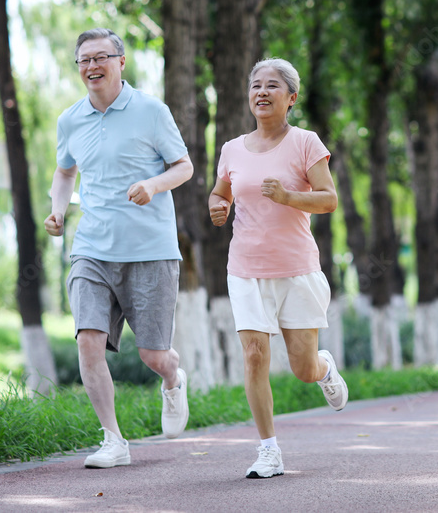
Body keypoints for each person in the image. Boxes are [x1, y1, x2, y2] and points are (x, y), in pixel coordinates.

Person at [44, 28, 193, 469]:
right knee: (88, 342)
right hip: (92, 248)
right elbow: (64, 172)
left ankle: (172, 376)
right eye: (84, 60)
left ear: (120, 61)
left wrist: (152, 184)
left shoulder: (150, 110)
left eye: (101, 57)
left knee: (152, 355)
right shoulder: (70, 119)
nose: (92, 66)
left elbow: (183, 166)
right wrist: (57, 211)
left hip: (151, 248)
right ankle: (113, 440)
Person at [209, 57, 348, 479]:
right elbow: (221, 193)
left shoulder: (306, 142)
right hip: (246, 268)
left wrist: (288, 197)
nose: (262, 92)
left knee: (302, 368)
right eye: (255, 85)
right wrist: (218, 206)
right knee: (254, 356)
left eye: (272, 86)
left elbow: (328, 199)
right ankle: (268, 449)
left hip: (296, 269)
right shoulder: (232, 148)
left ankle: (323, 367)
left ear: (291, 97)